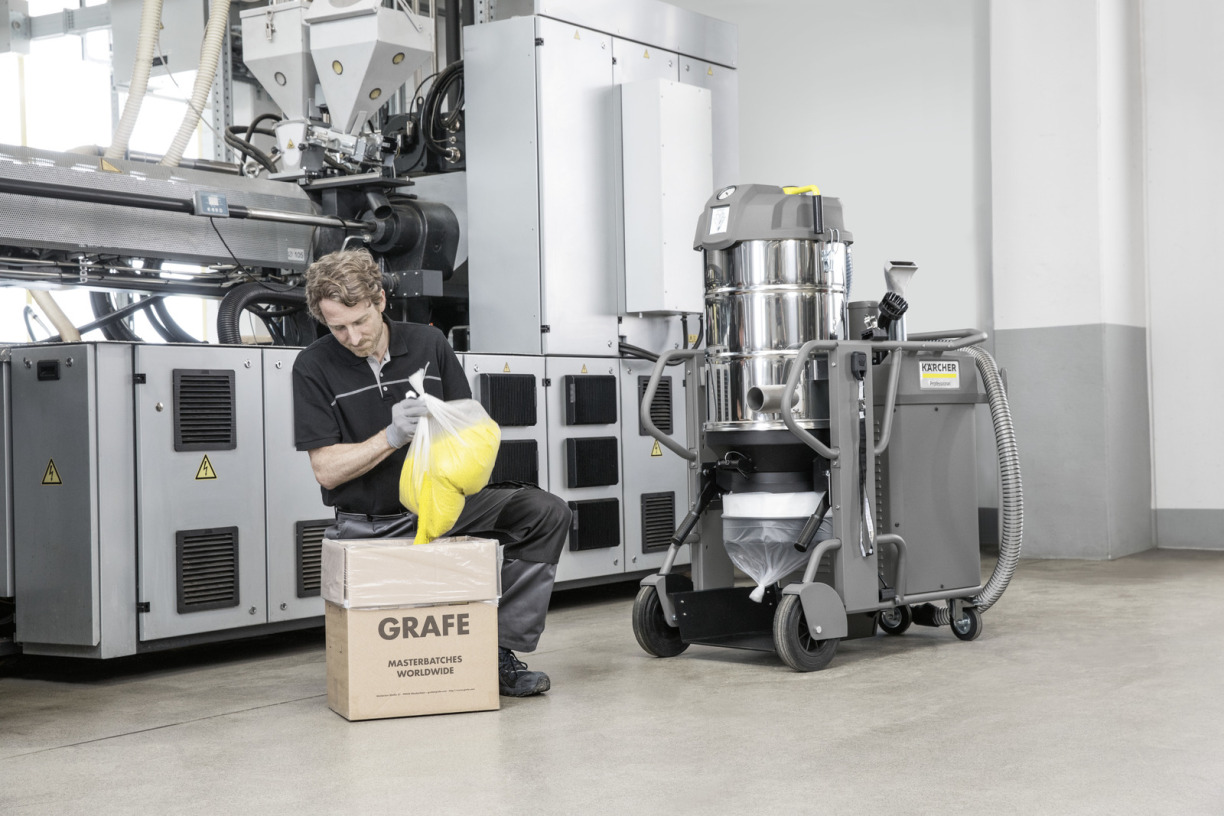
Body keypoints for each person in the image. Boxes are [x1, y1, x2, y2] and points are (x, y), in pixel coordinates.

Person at [292, 249, 571, 697]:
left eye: (360, 321)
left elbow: (468, 426)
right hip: (372, 523)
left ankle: (497, 649)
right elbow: (325, 470)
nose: (352, 336)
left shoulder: (429, 344)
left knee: (545, 512)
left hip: (444, 505)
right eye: (337, 327)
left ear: (380, 301)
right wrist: (391, 436)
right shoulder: (313, 366)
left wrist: (449, 427)